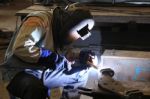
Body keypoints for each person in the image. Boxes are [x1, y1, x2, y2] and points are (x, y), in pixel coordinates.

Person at [6, 6, 95, 99]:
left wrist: (78, 55)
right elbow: (20, 48)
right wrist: (49, 56)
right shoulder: (39, 20)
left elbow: (64, 52)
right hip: (22, 71)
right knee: (36, 89)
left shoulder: (61, 28)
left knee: (81, 74)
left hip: (45, 71)